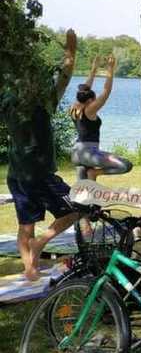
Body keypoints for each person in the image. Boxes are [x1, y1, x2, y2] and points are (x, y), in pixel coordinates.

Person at [5, 30, 80, 280]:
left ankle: (30, 270)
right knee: (75, 210)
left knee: (26, 224)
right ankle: (39, 245)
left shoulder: (7, 101)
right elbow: (66, 76)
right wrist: (71, 49)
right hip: (39, 173)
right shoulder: (43, 101)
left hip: (16, 173)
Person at [69, 54, 133, 180]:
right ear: (90, 100)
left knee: (84, 191)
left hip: (77, 152)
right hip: (89, 153)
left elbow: (84, 89)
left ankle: (87, 194)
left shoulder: (74, 107)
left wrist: (94, 69)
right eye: (94, 99)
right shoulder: (89, 110)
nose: (96, 101)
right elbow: (106, 91)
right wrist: (110, 68)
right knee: (125, 165)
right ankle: (95, 173)